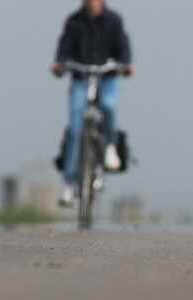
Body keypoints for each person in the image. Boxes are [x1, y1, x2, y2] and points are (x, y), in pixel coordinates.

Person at [52, 0, 133, 206]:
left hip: (107, 77)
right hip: (80, 77)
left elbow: (122, 46)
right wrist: (59, 63)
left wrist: (125, 64)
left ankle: (110, 146)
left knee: (108, 105)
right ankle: (68, 184)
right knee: (75, 129)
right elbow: (64, 47)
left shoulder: (113, 20)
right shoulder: (74, 21)